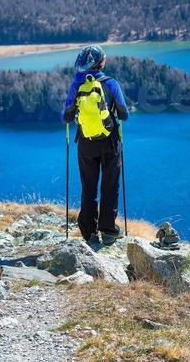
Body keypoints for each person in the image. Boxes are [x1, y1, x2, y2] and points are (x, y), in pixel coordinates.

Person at [63, 45, 129, 246]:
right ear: (101, 63)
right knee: (110, 185)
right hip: (109, 143)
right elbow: (124, 114)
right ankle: (109, 231)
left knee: (88, 187)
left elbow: (66, 116)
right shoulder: (111, 84)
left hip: (85, 143)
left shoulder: (76, 85)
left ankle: (89, 233)